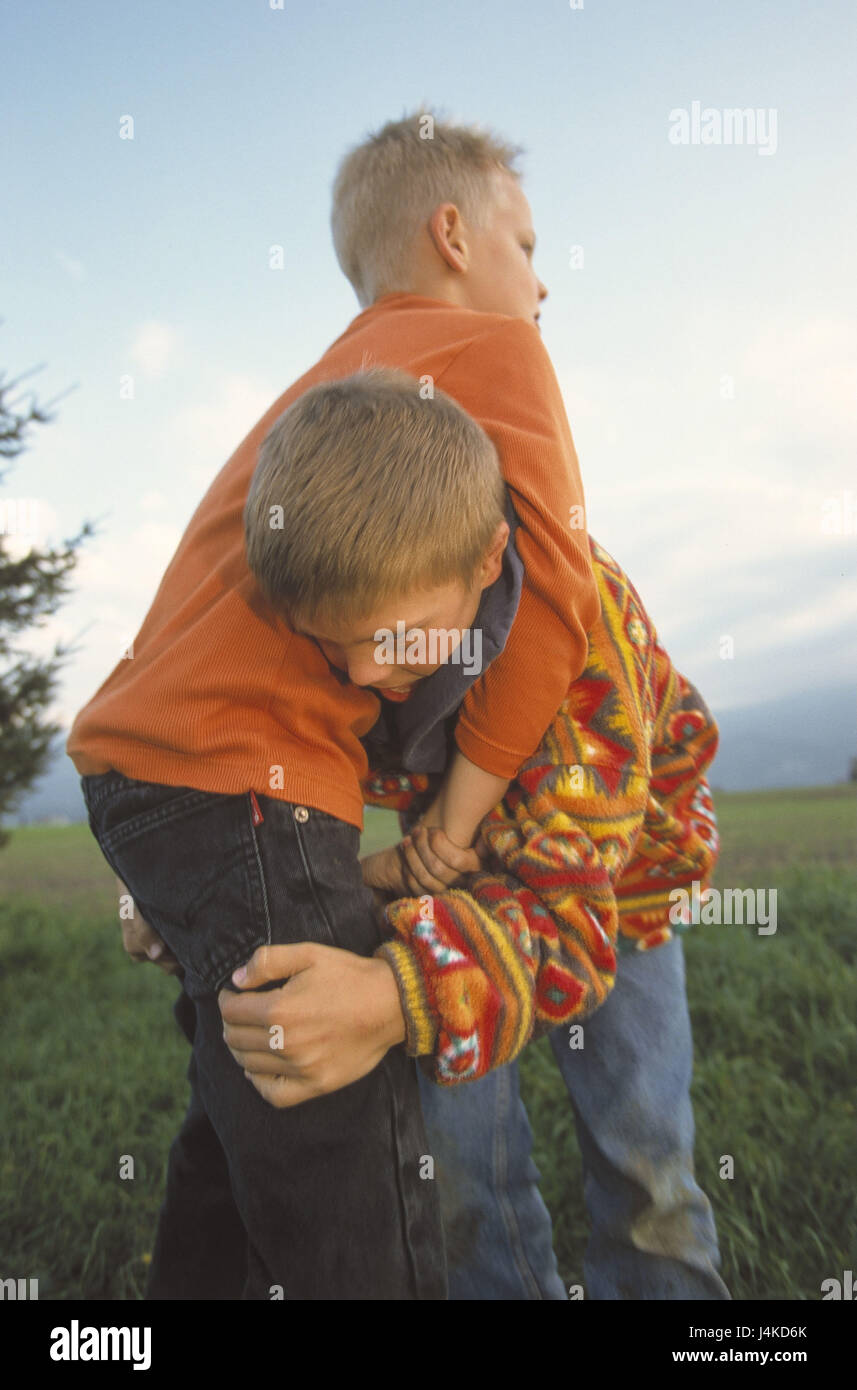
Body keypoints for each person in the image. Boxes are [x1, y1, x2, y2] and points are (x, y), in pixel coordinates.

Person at [68, 112, 600, 1300]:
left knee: (241, 1113)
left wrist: (176, 863)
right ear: (452, 235)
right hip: (251, 784)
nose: (543, 279)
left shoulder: (325, 395)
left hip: (154, 771)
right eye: (526, 242)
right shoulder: (489, 347)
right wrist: (452, 830)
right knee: (342, 1157)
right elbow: (556, 594)